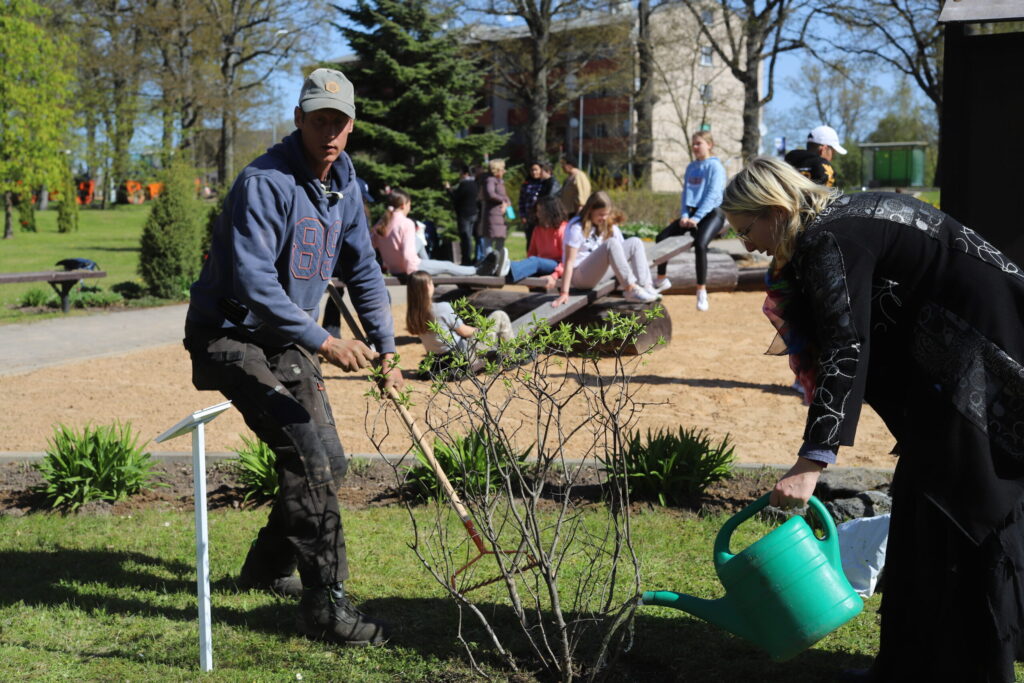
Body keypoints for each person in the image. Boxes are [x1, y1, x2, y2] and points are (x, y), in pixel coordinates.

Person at [720, 156, 1024, 682]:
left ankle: (972, 668)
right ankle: (908, 664)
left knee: (968, 514)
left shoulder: (829, 238)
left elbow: (847, 345)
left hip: (982, 369)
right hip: (967, 365)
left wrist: (812, 459)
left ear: (775, 210)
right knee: (923, 506)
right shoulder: (845, 216)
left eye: (748, 230)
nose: (749, 245)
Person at [183, 68, 399, 646]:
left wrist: (385, 347)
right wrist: (327, 341)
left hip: (285, 340)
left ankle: (267, 565)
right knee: (306, 458)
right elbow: (255, 285)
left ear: (351, 126)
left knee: (330, 458)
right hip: (229, 335)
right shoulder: (265, 183)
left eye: (339, 121)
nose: (329, 131)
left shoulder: (346, 186)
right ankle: (326, 608)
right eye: (318, 118)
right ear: (300, 119)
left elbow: (364, 272)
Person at [652, 130, 727, 311]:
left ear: (709, 145)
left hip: (712, 214)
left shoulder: (715, 167)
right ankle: (662, 279)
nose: (694, 147)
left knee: (700, 245)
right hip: (692, 214)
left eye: (698, 143)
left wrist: (697, 218)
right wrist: (685, 215)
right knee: (661, 237)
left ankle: (701, 290)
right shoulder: (691, 167)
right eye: (693, 144)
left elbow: (712, 195)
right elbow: (686, 194)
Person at [552, 191, 660, 307]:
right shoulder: (576, 227)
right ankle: (630, 289)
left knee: (635, 242)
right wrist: (564, 292)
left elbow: (621, 254)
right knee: (611, 243)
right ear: (590, 210)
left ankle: (645, 286)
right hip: (580, 277)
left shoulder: (605, 224)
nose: (604, 218)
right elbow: (569, 262)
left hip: (598, 273)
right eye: (601, 214)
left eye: (606, 214)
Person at [406, 270, 513, 376]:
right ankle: (511, 358)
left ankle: (501, 356)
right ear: (427, 286)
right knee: (500, 315)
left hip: (441, 361)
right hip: (465, 357)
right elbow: (464, 331)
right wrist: (481, 330)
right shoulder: (441, 308)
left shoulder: (413, 315)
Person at [371, 188, 489, 278]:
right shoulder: (406, 223)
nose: (409, 208)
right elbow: (407, 255)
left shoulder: (381, 224)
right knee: (447, 265)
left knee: (418, 241)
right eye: (409, 205)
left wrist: (385, 264)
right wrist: (416, 276)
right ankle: (476, 270)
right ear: (403, 205)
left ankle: (428, 262)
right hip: (410, 268)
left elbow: (371, 246)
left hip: (394, 268)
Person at [506, 195, 567, 286]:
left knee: (536, 261)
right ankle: (500, 267)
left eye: (541, 211)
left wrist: (555, 275)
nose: (538, 214)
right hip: (540, 264)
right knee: (535, 261)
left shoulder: (563, 229)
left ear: (550, 212)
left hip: (557, 266)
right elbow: (531, 253)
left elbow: (568, 260)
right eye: (537, 211)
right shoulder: (537, 229)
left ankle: (506, 269)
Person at [478, 159, 511, 276]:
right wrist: (504, 201)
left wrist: (508, 204)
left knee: (500, 241)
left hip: (500, 215)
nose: (504, 171)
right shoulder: (490, 180)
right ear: (497, 170)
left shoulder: (499, 181)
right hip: (492, 215)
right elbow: (490, 194)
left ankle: (498, 265)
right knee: (489, 240)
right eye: (502, 168)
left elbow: (505, 196)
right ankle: (489, 264)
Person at [445, 165, 479, 266]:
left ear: (465, 174)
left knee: (466, 237)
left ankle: (466, 259)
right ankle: (475, 257)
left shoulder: (464, 184)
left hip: (464, 214)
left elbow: (456, 197)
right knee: (473, 237)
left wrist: (448, 189)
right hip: (475, 213)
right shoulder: (476, 183)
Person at [518, 161, 545, 247]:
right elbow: (521, 201)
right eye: (532, 170)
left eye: (536, 170)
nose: (534, 172)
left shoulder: (544, 184)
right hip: (529, 216)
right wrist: (522, 215)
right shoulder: (526, 184)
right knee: (530, 240)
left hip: (541, 217)